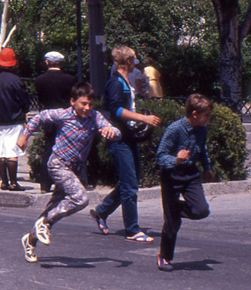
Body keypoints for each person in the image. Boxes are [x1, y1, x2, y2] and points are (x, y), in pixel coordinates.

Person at [18, 82, 120, 263]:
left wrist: (111, 132)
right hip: (58, 164)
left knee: (56, 208)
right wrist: (25, 135)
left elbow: (116, 131)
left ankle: (30, 240)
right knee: (80, 199)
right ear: (72, 101)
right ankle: (45, 224)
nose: (87, 108)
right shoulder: (62, 114)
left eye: (90, 104)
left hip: (75, 170)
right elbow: (39, 117)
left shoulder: (95, 117)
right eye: (83, 104)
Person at [90, 46, 161, 243]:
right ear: (128, 61)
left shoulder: (124, 81)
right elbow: (115, 110)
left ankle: (101, 211)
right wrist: (142, 118)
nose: (135, 63)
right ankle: (132, 229)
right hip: (118, 138)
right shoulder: (116, 82)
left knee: (131, 180)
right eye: (134, 60)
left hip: (127, 136)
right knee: (130, 185)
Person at [155, 94, 215, 271]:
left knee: (201, 210)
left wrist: (207, 168)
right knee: (172, 223)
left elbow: (202, 150)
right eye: (206, 115)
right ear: (195, 114)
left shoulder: (202, 129)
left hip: (190, 174)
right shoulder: (175, 129)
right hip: (172, 176)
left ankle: (174, 209)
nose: (208, 118)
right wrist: (176, 159)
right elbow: (160, 157)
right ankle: (164, 257)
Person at [33, 51, 77, 191]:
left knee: (48, 149)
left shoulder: (39, 80)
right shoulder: (70, 80)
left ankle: (45, 183)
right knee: (67, 149)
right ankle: (65, 182)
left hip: (48, 117)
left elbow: (40, 100)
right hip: (66, 118)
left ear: (47, 63)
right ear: (61, 63)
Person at [0, 48, 29, 191]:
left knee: (0, 152)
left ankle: (3, 182)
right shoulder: (16, 81)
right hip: (14, 120)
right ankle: (13, 182)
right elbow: (25, 102)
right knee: (12, 152)